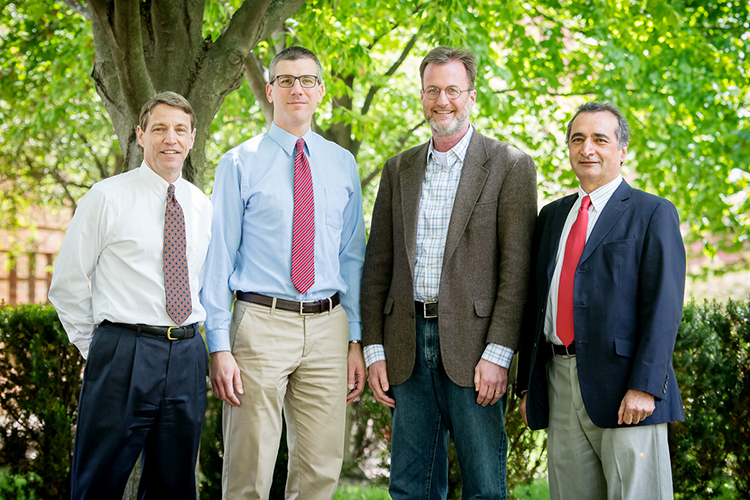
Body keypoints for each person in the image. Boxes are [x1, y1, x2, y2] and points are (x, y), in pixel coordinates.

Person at [361, 46, 537, 500]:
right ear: (421, 96)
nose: (443, 100)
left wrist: (499, 354)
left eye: (453, 90)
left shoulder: (509, 166)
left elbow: (517, 271)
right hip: (406, 345)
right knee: (409, 487)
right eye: (433, 90)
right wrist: (374, 348)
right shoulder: (398, 169)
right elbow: (378, 264)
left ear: (472, 96)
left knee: (484, 488)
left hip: (476, 349)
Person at [202, 45, 366, 500]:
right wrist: (218, 344)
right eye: (287, 80)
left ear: (320, 93)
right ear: (270, 89)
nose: (298, 88)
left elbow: (353, 257)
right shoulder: (239, 162)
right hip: (260, 325)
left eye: (308, 80)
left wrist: (355, 337)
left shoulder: (342, 164)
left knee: (320, 468)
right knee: (248, 467)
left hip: (329, 327)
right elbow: (219, 258)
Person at [517, 101, 686, 500]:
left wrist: (645, 387)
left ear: (621, 150)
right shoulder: (552, 216)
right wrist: (528, 387)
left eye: (599, 139)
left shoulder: (652, 212)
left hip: (626, 390)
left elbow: (664, 307)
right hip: (559, 383)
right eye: (578, 139)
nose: (587, 148)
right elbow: (535, 304)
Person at [48, 91, 212, 499]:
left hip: (188, 355)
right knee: (98, 482)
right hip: (123, 352)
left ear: (192, 137)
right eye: (159, 129)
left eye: (179, 129)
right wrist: (102, 349)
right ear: (141, 135)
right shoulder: (106, 197)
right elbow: (67, 283)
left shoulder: (202, 205)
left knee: (173, 487)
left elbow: (205, 281)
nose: (169, 138)